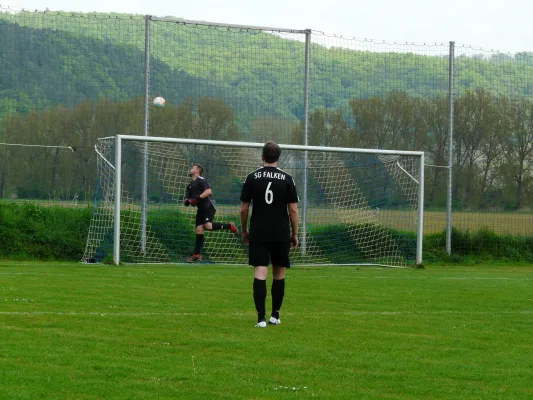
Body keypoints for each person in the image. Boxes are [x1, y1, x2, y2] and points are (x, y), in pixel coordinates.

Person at [239, 142, 299, 328]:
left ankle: (260, 319)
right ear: (278, 158)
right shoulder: (287, 178)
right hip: (281, 233)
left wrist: (244, 230)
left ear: (262, 157)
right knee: (279, 273)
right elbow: (293, 210)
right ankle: (275, 316)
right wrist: (295, 233)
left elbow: (243, 209)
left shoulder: (251, 177)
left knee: (260, 271)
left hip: (259, 231)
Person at [184, 163, 239, 263]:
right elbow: (189, 199)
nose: (190, 169)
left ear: (197, 171)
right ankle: (196, 255)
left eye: (192, 168)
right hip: (200, 209)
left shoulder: (201, 180)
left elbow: (208, 191)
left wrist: (196, 198)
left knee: (208, 226)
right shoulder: (190, 186)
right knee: (199, 230)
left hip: (208, 205)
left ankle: (229, 226)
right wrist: (187, 201)